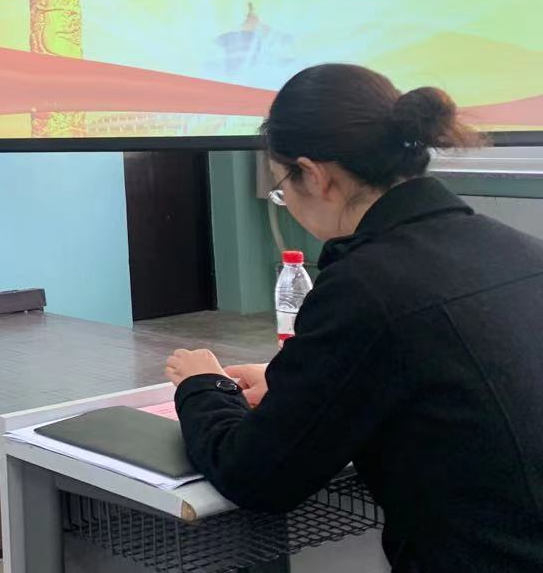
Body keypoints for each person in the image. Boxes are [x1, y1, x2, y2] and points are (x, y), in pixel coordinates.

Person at [163, 64, 543, 571]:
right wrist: (292, 382)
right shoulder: (516, 249)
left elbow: (255, 476)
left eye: (282, 186)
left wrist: (204, 386)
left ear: (315, 175)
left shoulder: (366, 286)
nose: (285, 201)